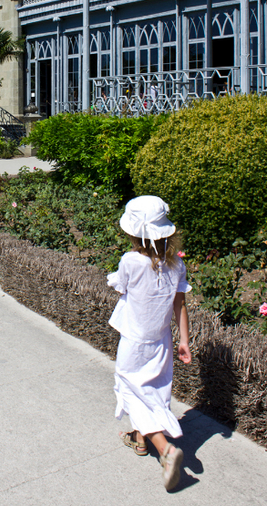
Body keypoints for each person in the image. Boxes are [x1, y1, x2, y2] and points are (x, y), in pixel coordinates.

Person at [107, 195, 191, 491]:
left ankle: (165, 449)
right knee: (154, 389)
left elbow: (121, 287)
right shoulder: (176, 266)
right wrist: (184, 340)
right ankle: (139, 440)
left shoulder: (131, 261)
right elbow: (180, 304)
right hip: (162, 340)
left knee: (130, 389)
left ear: (134, 234)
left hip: (135, 340)